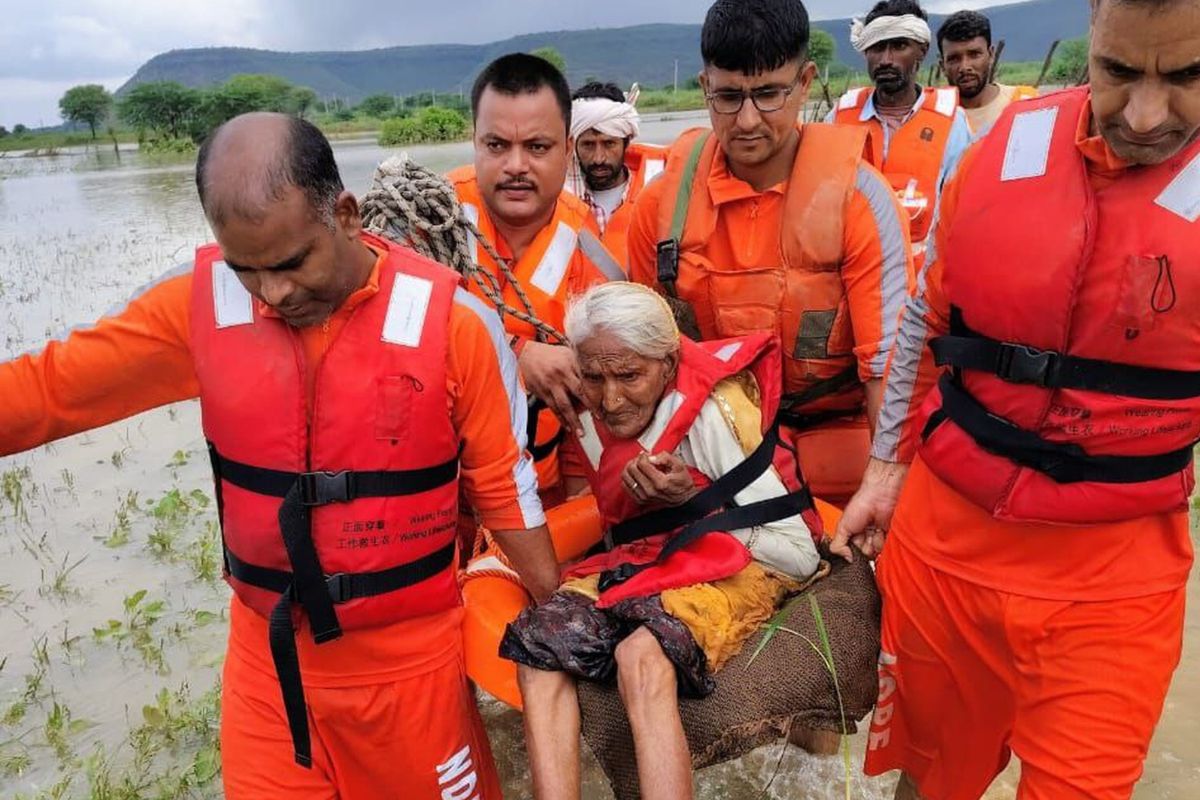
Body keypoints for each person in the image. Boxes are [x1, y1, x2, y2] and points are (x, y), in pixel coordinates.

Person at [0, 112, 562, 799]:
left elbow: (509, 494)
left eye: (294, 263)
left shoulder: (457, 326)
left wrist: (560, 614)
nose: (274, 294)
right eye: (247, 270)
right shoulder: (198, 307)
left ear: (348, 216)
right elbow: (50, 388)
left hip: (409, 675)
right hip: (268, 672)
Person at [832, 0, 1200, 797]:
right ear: (1090, 39)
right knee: (928, 781)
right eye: (1118, 71)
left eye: (1187, 77)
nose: (1144, 113)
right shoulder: (1003, 145)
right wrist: (886, 468)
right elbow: (925, 324)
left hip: (1113, 579)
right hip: (942, 545)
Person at [503, 282, 823, 800]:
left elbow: (800, 555)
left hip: (747, 557)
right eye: (593, 376)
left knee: (642, 653)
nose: (609, 399)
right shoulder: (584, 405)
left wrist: (695, 500)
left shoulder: (718, 411)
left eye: (630, 376)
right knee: (538, 650)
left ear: (670, 365)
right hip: (646, 557)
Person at [628, 0, 915, 505]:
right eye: (728, 97)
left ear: (805, 82)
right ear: (704, 87)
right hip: (711, 447)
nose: (746, 121)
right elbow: (643, 358)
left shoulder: (861, 200)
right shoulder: (657, 208)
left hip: (834, 441)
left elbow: (886, 366)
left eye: (768, 95)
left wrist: (885, 486)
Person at [447, 54, 622, 504]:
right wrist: (517, 355)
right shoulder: (427, 225)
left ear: (568, 149)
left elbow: (603, 414)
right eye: (497, 145)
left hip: (540, 498)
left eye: (538, 147)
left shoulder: (597, 263)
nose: (516, 165)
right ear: (475, 143)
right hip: (435, 500)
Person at [831, 0, 972, 265]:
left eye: (899, 46)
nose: (886, 59)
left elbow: (964, 214)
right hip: (851, 278)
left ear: (922, 50)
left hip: (920, 290)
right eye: (876, 47)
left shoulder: (952, 123)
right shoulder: (839, 116)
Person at [565, 81, 668, 268]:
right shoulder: (556, 200)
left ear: (626, 142)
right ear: (573, 145)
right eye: (588, 144)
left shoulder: (660, 192)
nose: (598, 158)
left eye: (609, 144)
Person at [937, 9, 1037, 135]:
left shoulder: (1025, 103)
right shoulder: (931, 116)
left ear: (991, 55)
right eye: (954, 59)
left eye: (974, 55)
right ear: (942, 65)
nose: (964, 67)